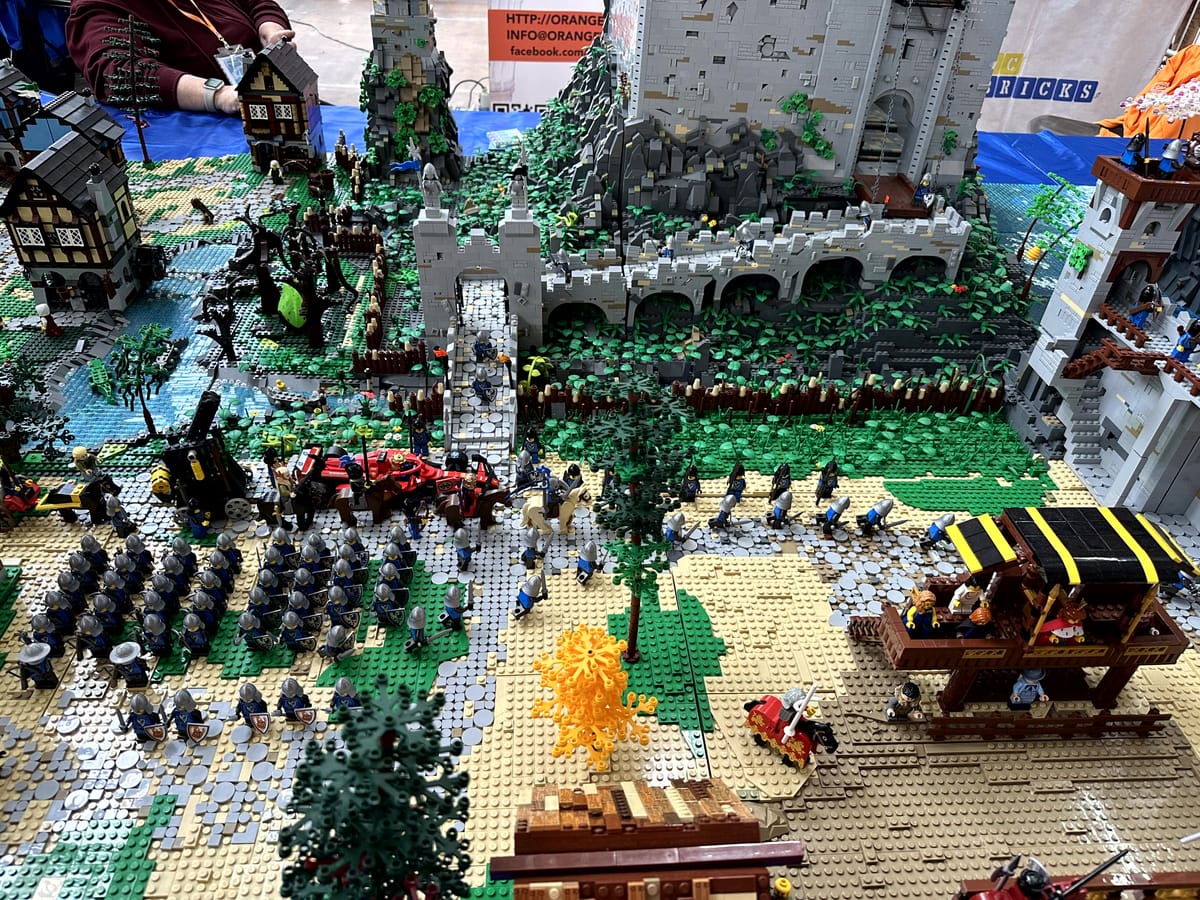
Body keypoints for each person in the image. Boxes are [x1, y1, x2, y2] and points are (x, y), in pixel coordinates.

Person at [67, 0, 295, 114]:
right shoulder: (100, 6)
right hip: (207, 126)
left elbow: (257, 3)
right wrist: (220, 95)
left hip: (267, 89)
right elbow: (117, 71)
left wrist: (270, 30)